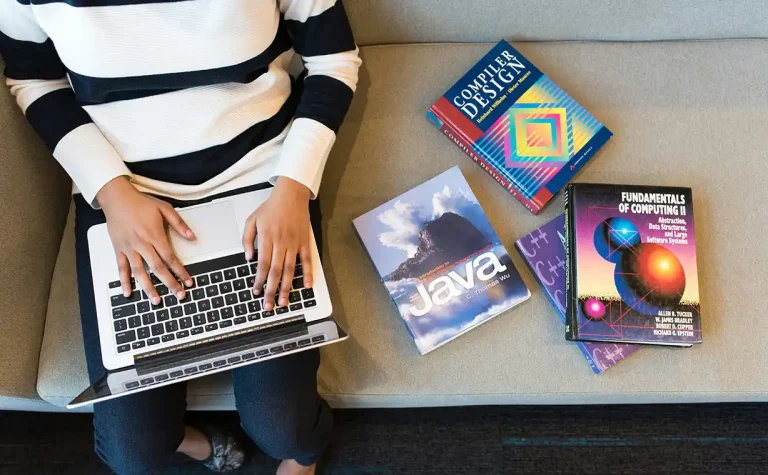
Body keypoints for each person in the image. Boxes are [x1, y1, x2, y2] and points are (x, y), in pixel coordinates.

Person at [0, 0, 361, 473]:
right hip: (125, 191)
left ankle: (302, 453)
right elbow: (34, 78)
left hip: (263, 179)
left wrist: (294, 187)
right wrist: (112, 193)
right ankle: (193, 442)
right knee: (132, 453)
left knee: (283, 428)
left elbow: (334, 58)